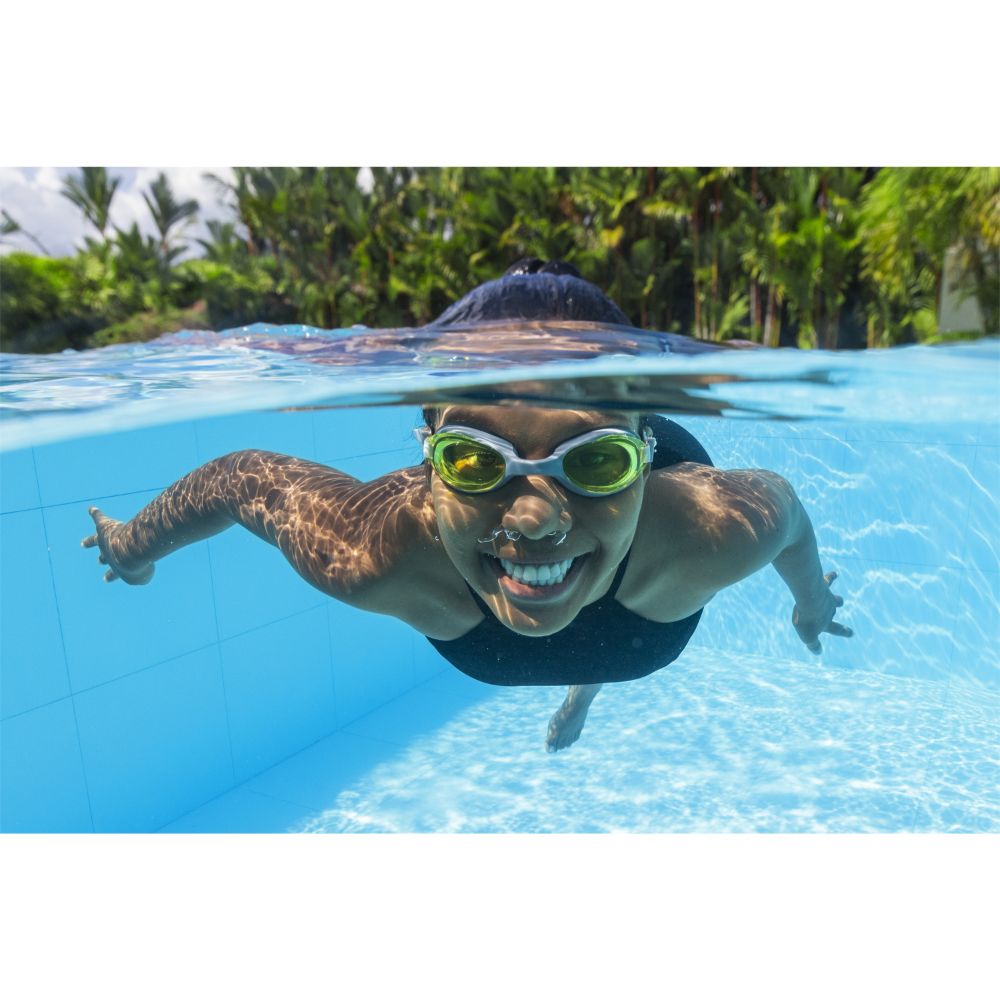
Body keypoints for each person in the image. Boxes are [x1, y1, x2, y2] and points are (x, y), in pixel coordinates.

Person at [82, 260, 852, 751]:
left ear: (643, 454)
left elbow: (789, 519)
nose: (534, 519)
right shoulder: (375, 554)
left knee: (577, 569)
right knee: (572, 567)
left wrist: (811, 605)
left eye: (595, 461)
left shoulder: (708, 531)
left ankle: (587, 657)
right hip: (623, 590)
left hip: (637, 568)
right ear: (429, 460)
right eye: (477, 461)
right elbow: (236, 479)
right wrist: (130, 545)